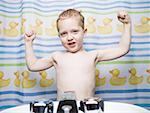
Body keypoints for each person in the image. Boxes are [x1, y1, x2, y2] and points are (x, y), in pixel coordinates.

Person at [24, 9, 131, 100]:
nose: (69, 37)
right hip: (64, 108)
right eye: (64, 33)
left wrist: (127, 24)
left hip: (87, 108)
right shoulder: (57, 57)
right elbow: (33, 65)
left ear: (84, 32)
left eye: (75, 31)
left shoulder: (92, 56)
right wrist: (28, 43)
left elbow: (123, 49)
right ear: (59, 36)